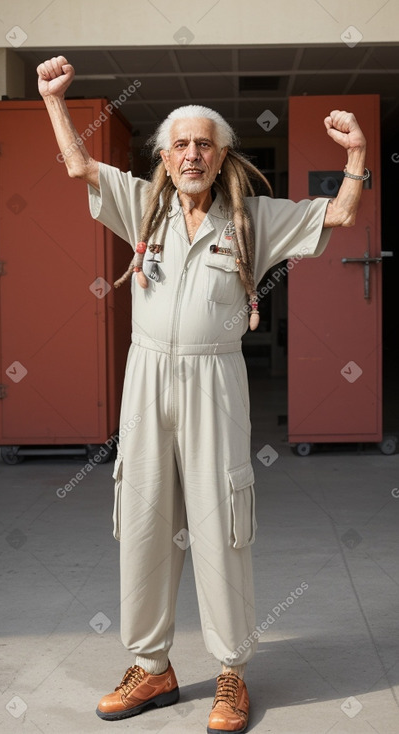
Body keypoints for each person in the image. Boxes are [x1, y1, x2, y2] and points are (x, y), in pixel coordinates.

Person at [37, 55, 367, 734]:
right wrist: (53, 101)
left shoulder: (253, 219)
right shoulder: (142, 203)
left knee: (221, 521)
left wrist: (358, 150)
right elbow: (77, 168)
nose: (192, 154)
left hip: (214, 378)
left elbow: (337, 212)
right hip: (147, 376)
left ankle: (230, 673)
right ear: (165, 155)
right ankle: (150, 665)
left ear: (220, 159)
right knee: (143, 517)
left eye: (204, 145)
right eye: (181, 143)